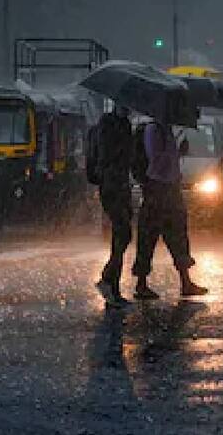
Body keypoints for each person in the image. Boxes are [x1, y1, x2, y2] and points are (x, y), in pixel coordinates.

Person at [132, 120, 208, 300]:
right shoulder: (153, 130)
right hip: (157, 189)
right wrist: (174, 153)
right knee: (148, 238)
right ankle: (141, 284)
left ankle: (186, 282)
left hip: (171, 189)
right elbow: (156, 161)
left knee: (178, 237)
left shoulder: (166, 130)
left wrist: (178, 152)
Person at [94, 104, 134, 308]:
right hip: (111, 184)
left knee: (123, 235)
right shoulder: (107, 124)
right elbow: (107, 154)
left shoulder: (125, 124)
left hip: (122, 183)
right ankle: (108, 281)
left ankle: (111, 283)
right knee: (122, 232)